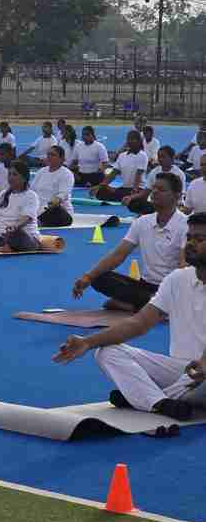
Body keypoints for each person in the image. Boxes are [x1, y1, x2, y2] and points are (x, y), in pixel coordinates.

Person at [53, 212, 206, 422]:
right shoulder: (177, 279)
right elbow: (139, 323)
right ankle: (159, 402)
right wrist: (87, 342)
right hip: (183, 370)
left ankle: (141, 398)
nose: (191, 244)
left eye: (200, 239)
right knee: (107, 351)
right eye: (189, 238)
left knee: (200, 388)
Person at [72, 172, 187, 312]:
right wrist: (87, 276)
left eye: (161, 190)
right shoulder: (142, 222)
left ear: (177, 196)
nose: (155, 192)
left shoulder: (185, 225)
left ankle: (141, 305)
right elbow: (118, 255)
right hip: (146, 287)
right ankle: (149, 305)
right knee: (98, 277)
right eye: (154, 188)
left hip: (173, 287)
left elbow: (184, 268)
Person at [92, 130, 147, 203]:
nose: (130, 141)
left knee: (133, 197)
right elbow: (113, 173)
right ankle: (124, 197)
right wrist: (100, 186)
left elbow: (138, 175)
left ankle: (129, 197)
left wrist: (134, 190)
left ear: (139, 141)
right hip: (125, 189)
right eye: (128, 139)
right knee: (101, 191)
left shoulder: (142, 155)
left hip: (138, 189)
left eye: (133, 139)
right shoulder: (122, 155)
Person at [127, 146, 185, 215]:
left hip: (172, 204)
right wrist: (131, 197)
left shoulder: (179, 174)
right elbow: (146, 192)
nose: (160, 159)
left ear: (172, 158)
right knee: (133, 203)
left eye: (163, 157)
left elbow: (179, 195)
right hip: (156, 203)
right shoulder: (154, 172)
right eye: (159, 157)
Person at [30, 145, 74, 228]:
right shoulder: (41, 171)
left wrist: (49, 205)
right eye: (48, 154)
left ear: (61, 159)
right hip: (38, 211)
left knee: (55, 208)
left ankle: (37, 222)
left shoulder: (67, 174)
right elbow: (32, 191)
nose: (49, 157)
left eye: (53, 155)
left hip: (56, 211)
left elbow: (61, 196)